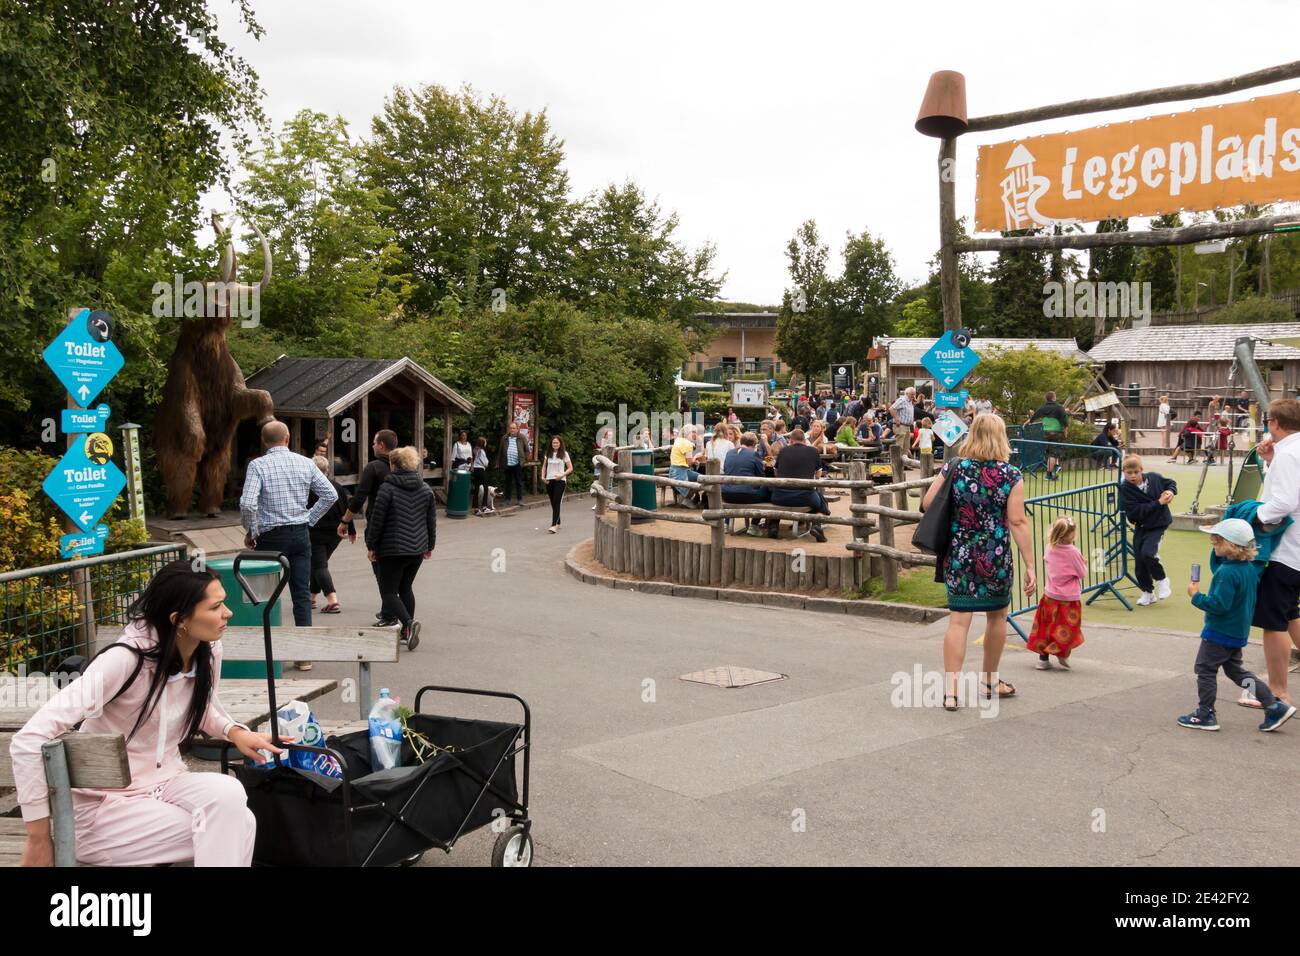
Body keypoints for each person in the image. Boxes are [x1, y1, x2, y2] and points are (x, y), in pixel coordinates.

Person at [10, 561, 281, 866]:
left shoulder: (208, 651)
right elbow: (28, 739)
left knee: (230, 793)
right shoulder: (124, 661)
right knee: (239, 824)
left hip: (166, 785)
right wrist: (39, 837)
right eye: (216, 606)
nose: (227, 613)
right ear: (179, 620)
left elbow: (201, 706)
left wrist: (235, 731)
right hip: (104, 810)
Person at [921, 414, 1036, 711]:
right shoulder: (1010, 475)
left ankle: (951, 691)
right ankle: (989, 681)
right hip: (994, 555)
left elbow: (927, 503)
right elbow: (1018, 521)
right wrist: (1031, 565)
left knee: (958, 621)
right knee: (997, 617)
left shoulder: (954, 468)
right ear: (1001, 438)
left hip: (959, 555)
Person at [1180, 518, 1297, 731]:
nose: (1213, 546)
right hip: (1237, 632)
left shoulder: (1226, 572)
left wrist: (1196, 596)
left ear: (1229, 545)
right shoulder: (1250, 569)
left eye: (1216, 543)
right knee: (1236, 672)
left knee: (1205, 669)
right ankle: (1273, 705)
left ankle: (1205, 713)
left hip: (1219, 631)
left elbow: (1219, 605)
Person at [239, 420, 337, 635]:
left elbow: (247, 503)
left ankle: (268, 642)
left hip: (270, 536)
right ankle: (304, 651)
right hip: (300, 532)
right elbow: (330, 494)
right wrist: (309, 518)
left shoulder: (257, 465)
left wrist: (252, 530)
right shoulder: (305, 463)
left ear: (264, 442)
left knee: (264, 592)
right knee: (301, 592)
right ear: (287, 438)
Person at [1245, 399, 1300, 708]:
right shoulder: (1290, 452)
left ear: (1275, 424)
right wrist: (1269, 462)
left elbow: (1284, 502)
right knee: (1290, 612)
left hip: (1285, 549)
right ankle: (1277, 688)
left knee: (1274, 620)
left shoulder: (1289, 454)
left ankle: (1278, 691)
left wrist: (1252, 516)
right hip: (1295, 549)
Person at [364, 446, 435, 649]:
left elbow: (377, 521)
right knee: (405, 588)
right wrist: (430, 545)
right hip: (417, 548)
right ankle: (407, 632)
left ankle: (409, 623)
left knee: (388, 591)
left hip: (392, 548)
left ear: (393, 465)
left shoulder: (387, 489)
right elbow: (431, 520)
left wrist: (371, 545)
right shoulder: (425, 489)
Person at [338, 428, 398, 625]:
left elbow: (359, 498)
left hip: (378, 525)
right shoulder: (401, 466)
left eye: (374, 442)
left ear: (381, 445)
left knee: (380, 570)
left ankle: (391, 613)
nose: (372, 445)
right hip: (402, 524)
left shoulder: (373, 467)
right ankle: (389, 609)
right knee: (396, 574)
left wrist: (345, 521)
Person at [1029, 516, 1086, 670]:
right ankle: (1062, 652)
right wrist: (1082, 562)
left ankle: (1043, 659)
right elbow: (1082, 573)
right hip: (1068, 598)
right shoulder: (1073, 551)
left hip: (1050, 595)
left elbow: (1048, 560)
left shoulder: (1049, 547)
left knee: (1046, 626)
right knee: (1067, 627)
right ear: (1071, 535)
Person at [1118, 454, 1176, 606]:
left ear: (1141, 470)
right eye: (1128, 473)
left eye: (1135, 472)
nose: (1132, 476)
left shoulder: (1154, 478)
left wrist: (1170, 491)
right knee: (1139, 561)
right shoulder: (1124, 489)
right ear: (1123, 471)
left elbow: (1170, 483)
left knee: (1148, 553)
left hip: (1158, 524)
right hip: (1141, 525)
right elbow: (1135, 511)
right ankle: (1148, 593)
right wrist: (1158, 502)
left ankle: (1163, 580)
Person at [308, 454, 354, 615]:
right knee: (317, 564)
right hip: (336, 532)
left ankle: (332, 600)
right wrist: (351, 529)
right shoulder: (337, 486)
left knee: (319, 565)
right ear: (327, 470)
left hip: (316, 532)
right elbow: (347, 508)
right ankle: (311, 597)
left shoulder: (309, 488)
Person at [771, 428, 830, 542]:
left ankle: (773, 526)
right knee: (818, 500)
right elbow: (818, 475)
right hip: (805, 497)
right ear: (804, 440)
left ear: (791, 440)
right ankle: (816, 526)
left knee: (774, 493)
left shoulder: (783, 451)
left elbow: (776, 472)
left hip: (780, 497)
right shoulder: (813, 451)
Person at [1029, 390, 1069, 479]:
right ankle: (1052, 471)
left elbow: (1034, 417)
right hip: (1056, 432)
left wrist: (1028, 422)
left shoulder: (1042, 408)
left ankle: (1052, 471)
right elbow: (1065, 421)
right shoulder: (1059, 407)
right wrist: (1066, 432)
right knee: (1053, 454)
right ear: (1054, 398)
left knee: (1051, 452)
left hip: (1046, 432)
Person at [543, 435, 573, 533]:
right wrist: (543, 477)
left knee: (556, 501)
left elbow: (570, 468)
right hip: (549, 480)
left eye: (557, 443)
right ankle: (558, 521)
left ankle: (553, 525)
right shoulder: (548, 453)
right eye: (553, 443)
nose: (555, 444)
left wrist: (562, 475)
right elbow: (544, 466)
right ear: (551, 444)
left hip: (560, 480)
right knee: (553, 502)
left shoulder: (564, 454)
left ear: (560, 444)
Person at [496, 422, 531, 507]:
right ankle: (507, 500)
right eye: (511, 428)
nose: (512, 430)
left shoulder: (521, 437)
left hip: (517, 464)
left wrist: (523, 459)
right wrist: (498, 462)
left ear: (517, 429)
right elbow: (500, 451)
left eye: (514, 428)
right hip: (507, 464)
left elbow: (527, 450)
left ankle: (520, 500)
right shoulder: (504, 438)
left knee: (518, 482)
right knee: (508, 482)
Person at [670, 424, 705, 507]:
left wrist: (693, 461)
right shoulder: (687, 444)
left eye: (696, 433)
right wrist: (694, 461)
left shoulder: (678, 440)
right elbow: (689, 462)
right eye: (693, 432)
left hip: (672, 473)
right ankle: (687, 499)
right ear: (687, 433)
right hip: (681, 473)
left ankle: (688, 499)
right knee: (704, 480)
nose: (695, 435)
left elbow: (685, 460)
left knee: (697, 477)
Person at [891, 387, 916, 455]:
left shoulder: (910, 401)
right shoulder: (902, 400)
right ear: (907, 393)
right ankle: (897, 464)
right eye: (912, 394)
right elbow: (891, 408)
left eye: (914, 394)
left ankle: (904, 464)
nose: (913, 396)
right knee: (899, 446)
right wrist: (896, 419)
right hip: (900, 425)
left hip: (907, 426)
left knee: (906, 447)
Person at [471, 437, 490, 514]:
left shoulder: (475, 449)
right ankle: (484, 506)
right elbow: (485, 462)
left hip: (475, 469)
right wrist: (487, 464)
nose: (486, 443)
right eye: (485, 442)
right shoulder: (481, 451)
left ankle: (475, 508)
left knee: (477, 487)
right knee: (485, 487)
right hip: (481, 469)